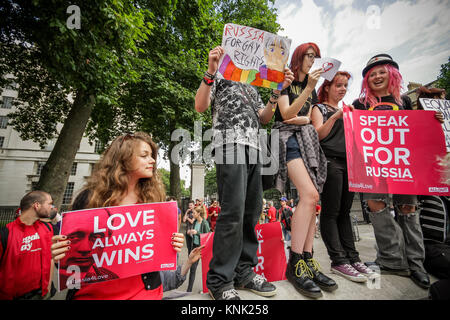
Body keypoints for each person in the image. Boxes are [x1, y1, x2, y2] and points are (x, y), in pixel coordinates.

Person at [194, 45, 293, 300]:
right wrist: (210, 71)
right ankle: (219, 280)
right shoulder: (218, 76)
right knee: (233, 212)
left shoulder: (251, 84)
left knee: (251, 212)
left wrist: (275, 95)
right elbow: (200, 106)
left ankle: (244, 273)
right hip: (228, 145)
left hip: (255, 149)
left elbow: (264, 118)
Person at [50, 132, 185, 300]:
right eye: (144, 155)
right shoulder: (89, 198)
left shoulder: (152, 199)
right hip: (94, 294)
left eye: (152, 156)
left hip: (146, 293)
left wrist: (172, 244)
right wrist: (60, 254)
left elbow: (155, 248)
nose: (152, 161)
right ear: (124, 159)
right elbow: (71, 260)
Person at [352, 54, 432, 289]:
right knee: (377, 207)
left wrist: (433, 119)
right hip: (373, 167)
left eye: (381, 72)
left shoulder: (405, 101)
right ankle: (391, 260)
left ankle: (416, 264)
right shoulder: (360, 104)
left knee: (408, 209)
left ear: (392, 74)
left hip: (404, 166)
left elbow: (417, 131)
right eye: (372, 73)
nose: (377, 76)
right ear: (367, 79)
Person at [273, 42, 337, 298]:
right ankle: (295, 263)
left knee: (313, 199)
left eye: (317, 57)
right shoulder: (286, 79)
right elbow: (286, 112)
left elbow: (308, 118)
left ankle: (307, 260)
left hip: (306, 141)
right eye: (310, 56)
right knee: (309, 195)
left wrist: (305, 116)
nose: (314, 60)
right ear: (299, 58)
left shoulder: (313, 91)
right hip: (287, 140)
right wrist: (307, 90)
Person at [311, 71, 376, 283]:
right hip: (330, 162)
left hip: (351, 164)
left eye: (345, 86)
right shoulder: (318, 108)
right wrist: (336, 117)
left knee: (345, 212)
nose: (342, 89)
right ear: (327, 87)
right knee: (331, 211)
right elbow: (318, 134)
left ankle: (353, 257)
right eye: (338, 85)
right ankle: (338, 260)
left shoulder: (350, 110)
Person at [0, 191, 55, 300]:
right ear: (37, 205)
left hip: (42, 294)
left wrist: (48, 287)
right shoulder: (5, 233)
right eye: (49, 204)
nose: (52, 207)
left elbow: (51, 259)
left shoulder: (47, 228)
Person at [186, 205, 211, 292]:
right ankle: (189, 291)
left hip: (203, 248)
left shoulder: (205, 223)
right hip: (196, 247)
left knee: (206, 269)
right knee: (193, 269)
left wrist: (197, 232)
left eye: (194, 213)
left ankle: (207, 289)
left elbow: (208, 236)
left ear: (199, 213)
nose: (192, 214)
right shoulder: (196, 222)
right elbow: (194, 233)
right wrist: (190, 232)